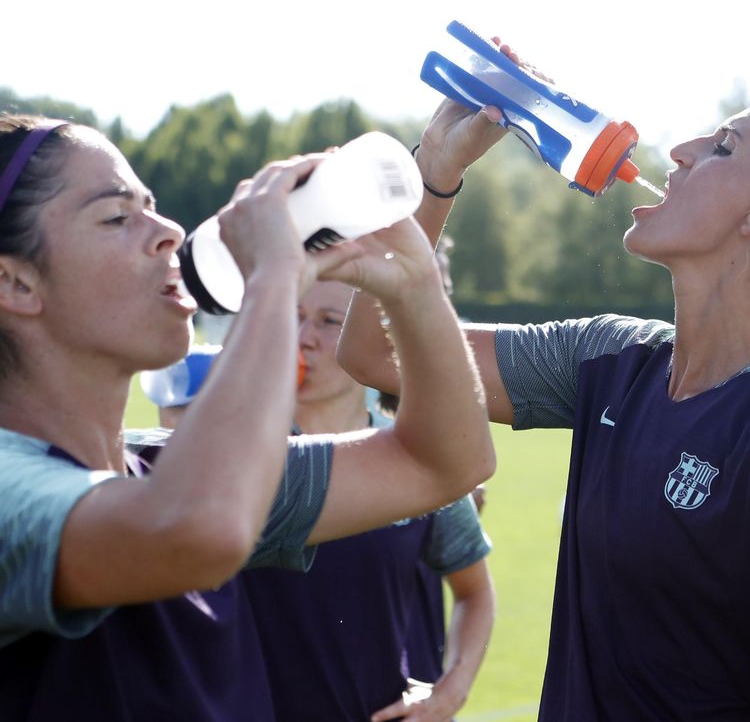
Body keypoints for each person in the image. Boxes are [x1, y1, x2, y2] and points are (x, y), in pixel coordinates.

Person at [340, 63, 750, 719]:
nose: (679, 153)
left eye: (722, 148)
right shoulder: (609, 357)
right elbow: (374, 351)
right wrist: (435, 170)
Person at [0, 115, 494, 719]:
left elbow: (443, 462)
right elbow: (197, 531)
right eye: (116, 216)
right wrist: (273, 282)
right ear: (14, 281)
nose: (168, 232)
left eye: (152, 207)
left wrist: (413, 282)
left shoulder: (165, 473)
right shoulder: (13, 491)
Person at [241, 279, 494, 722]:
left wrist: (450, 691)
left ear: (372, 341)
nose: (303, 338)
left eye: (328, 322)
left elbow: (475, 592)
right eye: (297, 317)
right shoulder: (237, 457)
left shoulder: (416, 459)